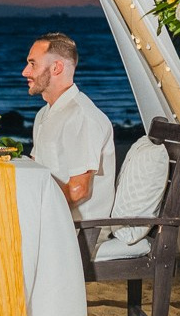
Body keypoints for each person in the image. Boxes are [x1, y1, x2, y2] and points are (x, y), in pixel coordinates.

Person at [22, 32, 116, 224]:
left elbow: (78, 191)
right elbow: (35, 170)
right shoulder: (44, 113)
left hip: (79, 230)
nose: (25, 72)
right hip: (51, 218)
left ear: (56, 68)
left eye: (33, 64)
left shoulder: (81, 117)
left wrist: (29, 210)